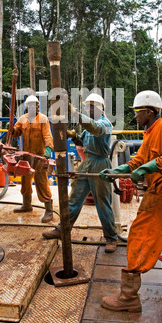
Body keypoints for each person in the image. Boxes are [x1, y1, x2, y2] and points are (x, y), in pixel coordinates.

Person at [99, 90, 162, 312]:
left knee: (140, 232)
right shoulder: (150, 132)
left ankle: (129, 297)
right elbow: (139, 159)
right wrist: (118, 170)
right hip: (158, 187)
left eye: (138, 112)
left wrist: (150, 167)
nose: (135, 117)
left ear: (149, 111)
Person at [42, 92, 119, 253]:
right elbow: (83, 140)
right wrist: (73, 136)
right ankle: (63, 229)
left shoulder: (105, 124)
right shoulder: (90, 125)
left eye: (91, 107)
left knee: (102, 202)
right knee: (74, 198)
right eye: (87, 107)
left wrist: (75, 113)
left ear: (100, 108)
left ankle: (111, 237)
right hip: (87, 162)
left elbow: (94, 128)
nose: (88, 110)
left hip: (100, 164)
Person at [12, 95, 54, 223]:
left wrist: (48, 149)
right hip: (26, 156)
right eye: (29, 105)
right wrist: (11, 129)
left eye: (34, 105)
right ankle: (27, 204)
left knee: (41, 181)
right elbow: (16, 132)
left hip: (39, 156)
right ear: (26, 107)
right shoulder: (22, 119)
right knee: (25, 180)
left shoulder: (43, 119)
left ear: (37, 106)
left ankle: (49, 210)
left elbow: (47, 135)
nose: (32, 107)